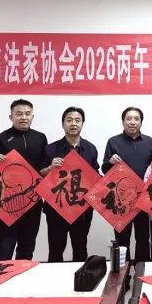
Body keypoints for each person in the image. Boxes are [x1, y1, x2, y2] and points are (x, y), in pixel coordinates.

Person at [0, 99, 48, 261]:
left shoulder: (40, 138)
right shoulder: (0, 139)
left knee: (27, 248)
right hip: (7, 202)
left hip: (32, 200)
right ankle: (2, 276)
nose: (23, 117)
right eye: (19, 114)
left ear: (32, 116)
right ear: (11, 117)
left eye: (27, 114)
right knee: (4, 249)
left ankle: (24, 276)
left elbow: (44, 169)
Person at [41, 107, 99, 263]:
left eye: (77, 120)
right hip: (56, 210)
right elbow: (40, 176)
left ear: (82, 124)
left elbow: (95, 177)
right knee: (55, 249)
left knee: (80, 248)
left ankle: (81, 277)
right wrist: (50, 168)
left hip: (82, 210)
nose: (73, 123)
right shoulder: (50, 149)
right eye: (69, 120)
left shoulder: (90, 149)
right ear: (63, 124)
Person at [102, 107, 152, 264]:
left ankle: (141, 271)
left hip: (142, 198)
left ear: (141, 122)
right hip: (121, 199)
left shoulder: (149, 141)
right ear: (123, 121)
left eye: (136, 119)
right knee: (122, 239)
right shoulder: (113, 141)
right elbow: (104, 169)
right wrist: (110, 162)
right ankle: (122, 274)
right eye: (129, 118)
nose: (132, 122)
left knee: (143, 238)